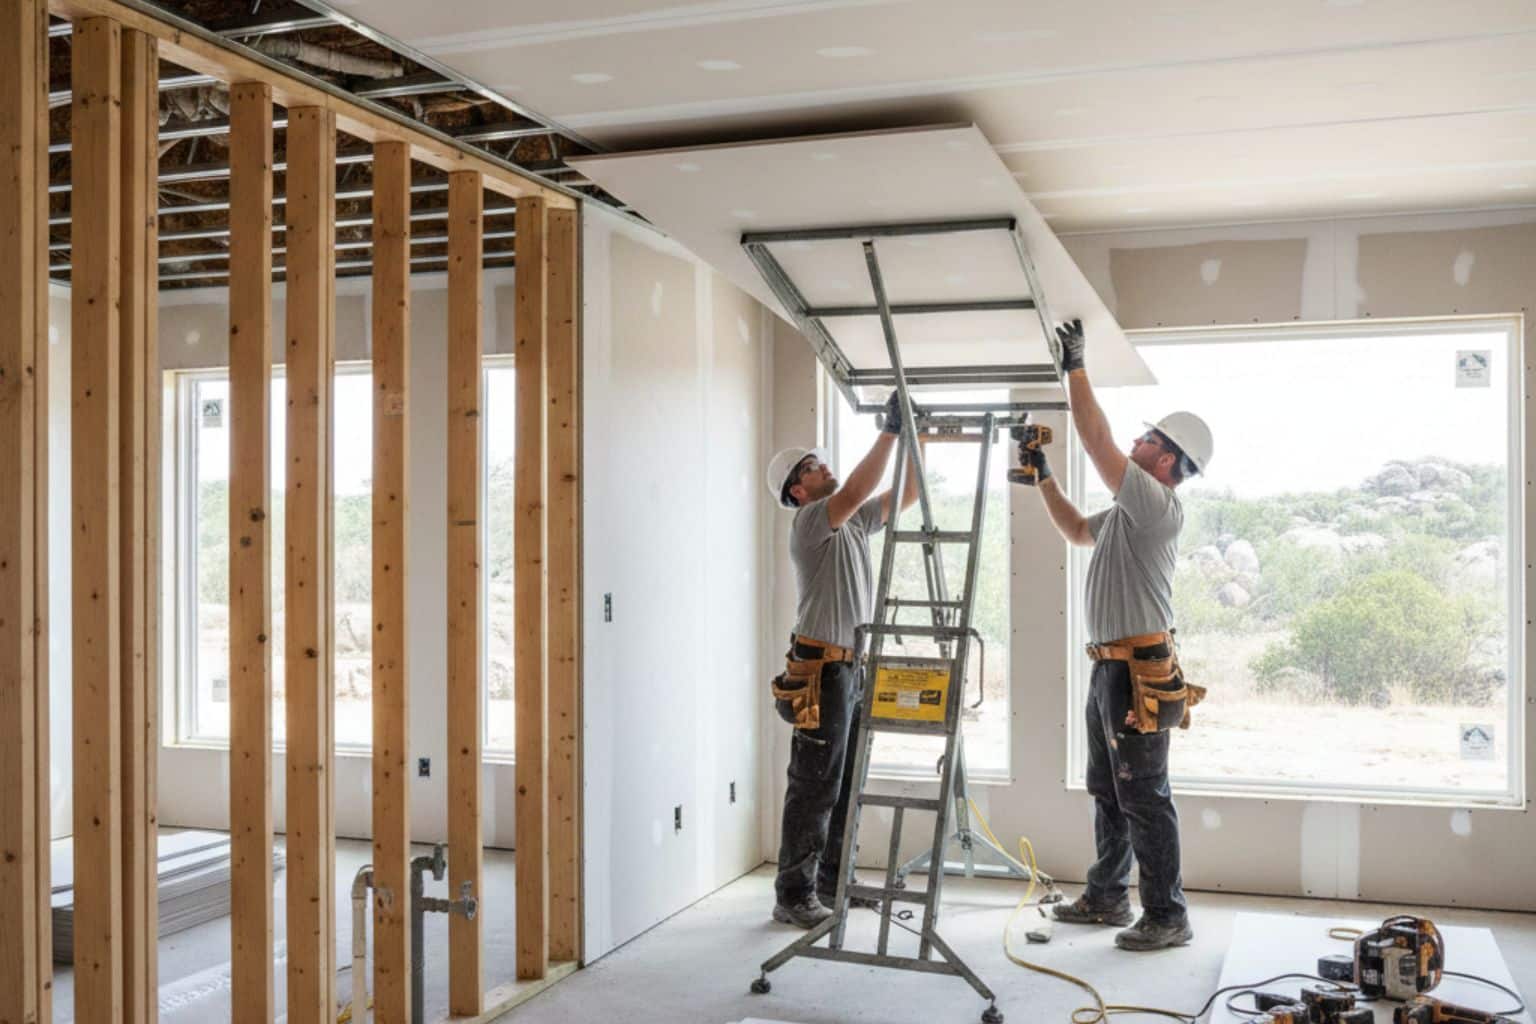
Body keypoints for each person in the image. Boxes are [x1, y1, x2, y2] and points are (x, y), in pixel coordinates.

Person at [1014, 319, 1213, 952]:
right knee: (1110, 789)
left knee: (1145, 796)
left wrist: (1075, 367)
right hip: (1111, 669)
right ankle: (1107, 898)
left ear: (1167, 459)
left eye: (1146, 437)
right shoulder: (1129, 514)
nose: (1133, 440)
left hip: (1139, 672)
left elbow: (1097, 438)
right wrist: (1043, 475)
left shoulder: (1156, 505)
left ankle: (1167, 914)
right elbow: (1075, 529)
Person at [764, 391, 923, 928]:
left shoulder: (853, 523)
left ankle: (831, 884)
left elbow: (909, 492)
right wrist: (890, 431)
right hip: (821, 669)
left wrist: (915, 436)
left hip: (853, 667)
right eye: (813, 466)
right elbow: (857, 487)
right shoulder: (812, 521)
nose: (824, 468)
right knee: (814, 784)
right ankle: (793, 893)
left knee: (846, 780)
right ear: (798, 488)